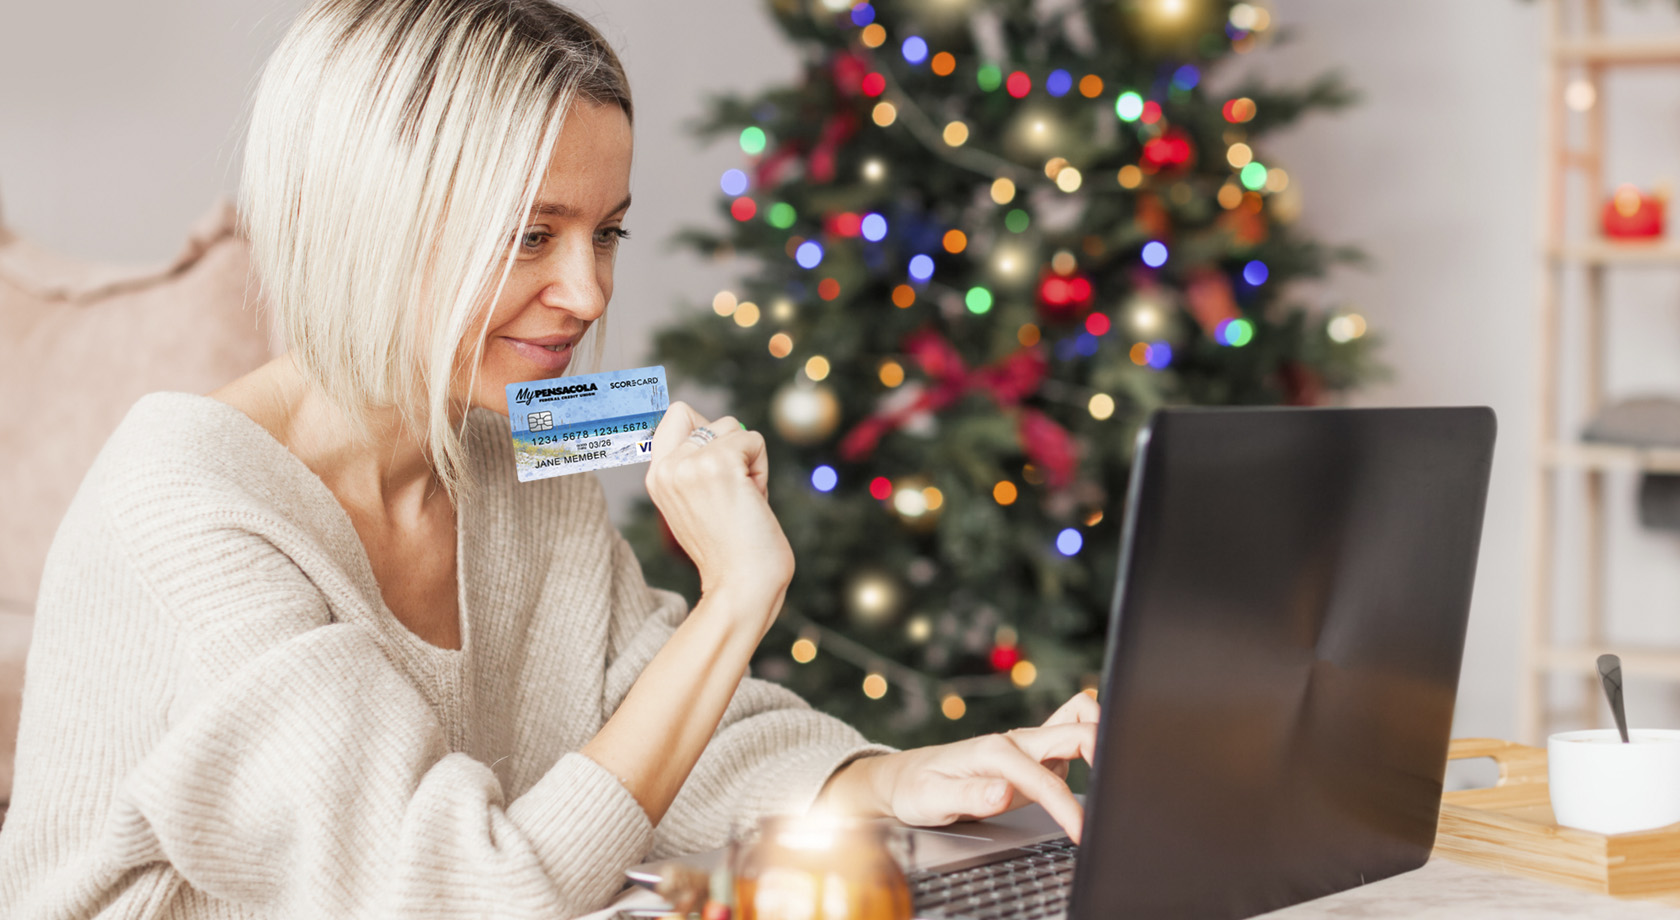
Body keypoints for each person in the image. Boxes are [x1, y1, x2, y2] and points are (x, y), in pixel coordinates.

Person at [0, 1, 1098, 917]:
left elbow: (651, 728)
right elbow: (467, 892)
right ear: (371, 219)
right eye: (531, 234)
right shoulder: (186, 510)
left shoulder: (515, 442)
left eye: (606, 231)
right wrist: (737, 598)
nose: (587, 292)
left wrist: (890, 776)